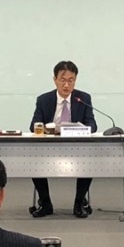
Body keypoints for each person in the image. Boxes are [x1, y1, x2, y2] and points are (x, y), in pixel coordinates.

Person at [28, 60, 97, 218]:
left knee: (88, 160)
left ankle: (79, 203)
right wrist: (49, 129)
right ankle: (45, 203)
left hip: (76, 146)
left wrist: (80, 129)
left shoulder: (83, 98)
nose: (66, 85)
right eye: (63, 80)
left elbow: (92, 125)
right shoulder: (44, 100)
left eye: (71, 81)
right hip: (49, 146)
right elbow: (34, 126)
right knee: (34, 161)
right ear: (55, 80)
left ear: (75, 80)